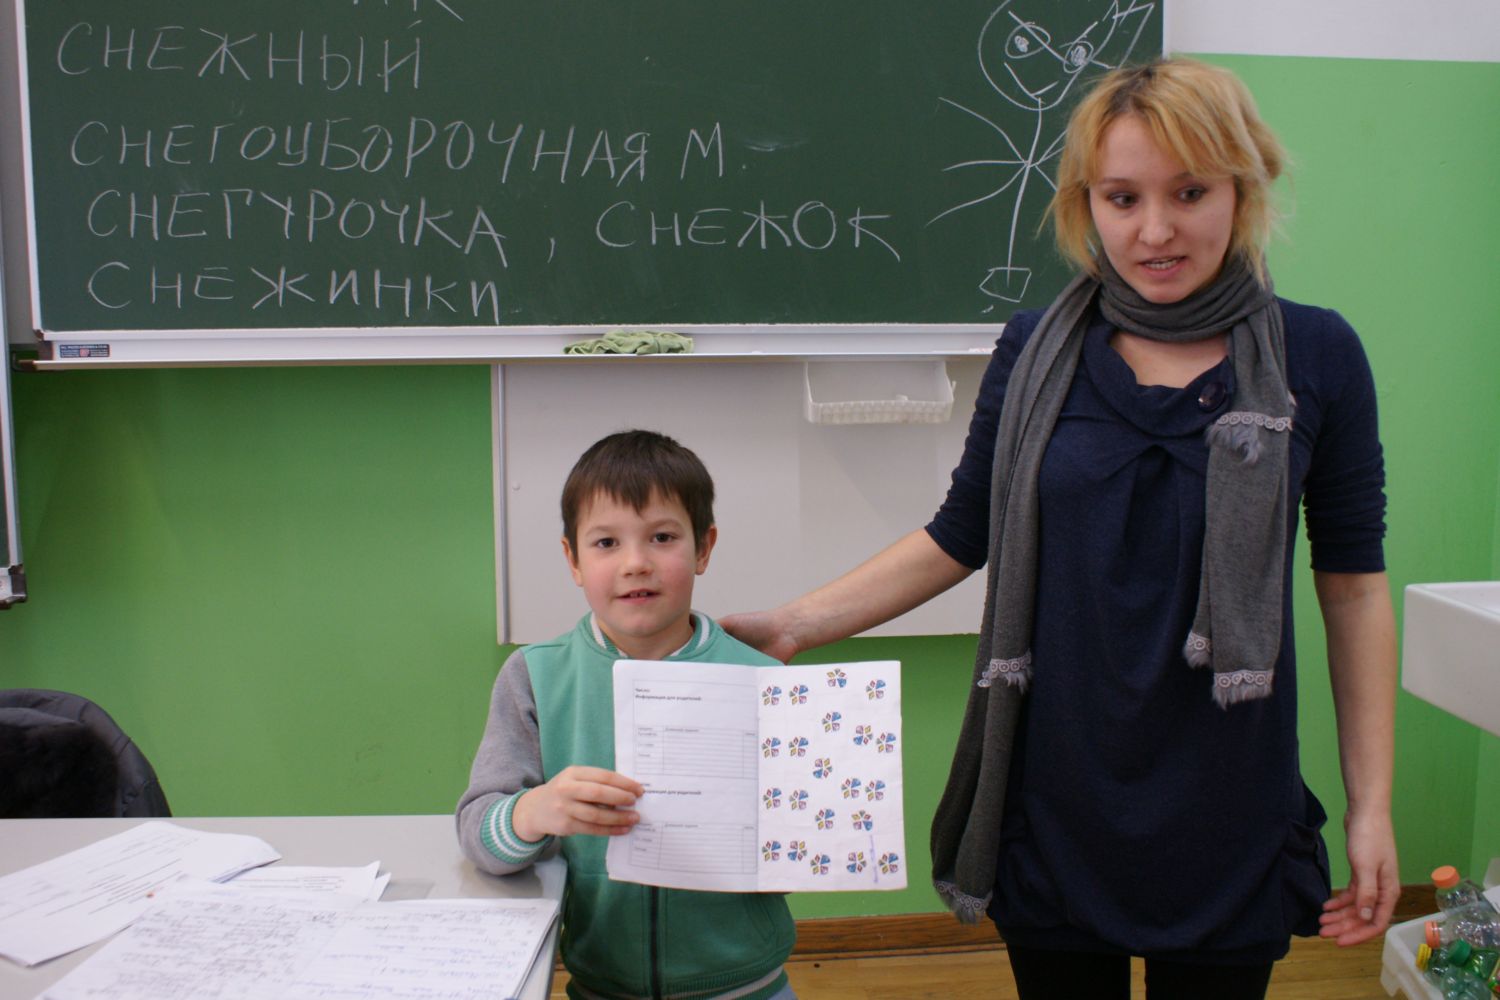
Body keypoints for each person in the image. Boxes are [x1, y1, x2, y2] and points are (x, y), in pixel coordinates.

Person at [724, 58, 1397, 999]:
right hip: (1056, 797)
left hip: (1228, 802)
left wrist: (1372, 810)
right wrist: (796, 624)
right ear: (1087, 203)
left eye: (1190, 192)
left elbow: (1354, 589)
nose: (1154, 230)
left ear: (1243, 189)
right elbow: (960, 534)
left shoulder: (1318, 354)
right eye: (1122, 198)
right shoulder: (1036, 352)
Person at [456, 429, 797, 1000]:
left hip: (751, 986)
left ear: (704, 548)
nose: (636, 563)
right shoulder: (535, 676)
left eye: (662, 537)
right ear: (573, 559)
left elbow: (806, 835)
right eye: (606, 542)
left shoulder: (763, 679)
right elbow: (478, 832)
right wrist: (533, 812)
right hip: (601, 985)